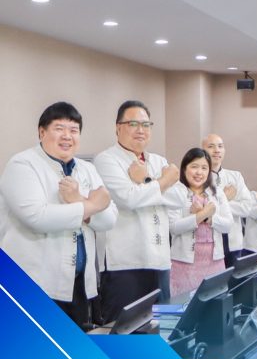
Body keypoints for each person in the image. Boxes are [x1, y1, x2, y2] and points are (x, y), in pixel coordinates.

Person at [0, 102, 117, 327]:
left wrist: (79, 200)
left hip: (78, 285)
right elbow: (37, 217)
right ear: (41, 132)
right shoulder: (22, 164)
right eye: (59, 128)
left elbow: (109, 219)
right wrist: (91, 205)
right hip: (33, 284)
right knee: (36, 346)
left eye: (74, 130)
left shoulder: (87, 168)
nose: (67, 136)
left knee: (75, 345)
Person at [94, 100, 178, 319]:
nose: (141, 130)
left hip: (160, 260)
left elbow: (180, 199)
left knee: (161, 326)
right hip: (125, 263)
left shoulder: (158, 160)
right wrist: (162, 182)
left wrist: (146, 180)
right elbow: (128, 199)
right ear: (118, 127)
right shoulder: (106, 160)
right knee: (126, 329)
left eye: (146, 124)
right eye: (133, 124)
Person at [167, 148, 233, 298]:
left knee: (215, 304)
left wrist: (209, 218)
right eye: (194, 167)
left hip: (215, 261)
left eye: (204, 168)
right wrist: (201, 215)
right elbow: (174, 227)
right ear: (185, 168)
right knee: (184, 305)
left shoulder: (217, 192)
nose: (199, 172)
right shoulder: (175, 192)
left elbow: (228, 225)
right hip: (184, 263)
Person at [202, 134, 253, 267]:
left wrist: (222, 202)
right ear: (203, 150)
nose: (217, 150)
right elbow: (201, 210)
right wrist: (225, 199)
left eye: (220, 146)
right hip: (207, 244)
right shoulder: (198, 177)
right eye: (211, 146)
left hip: (233, 243)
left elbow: (247, 207)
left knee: (235, 278)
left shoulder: (235, 176)